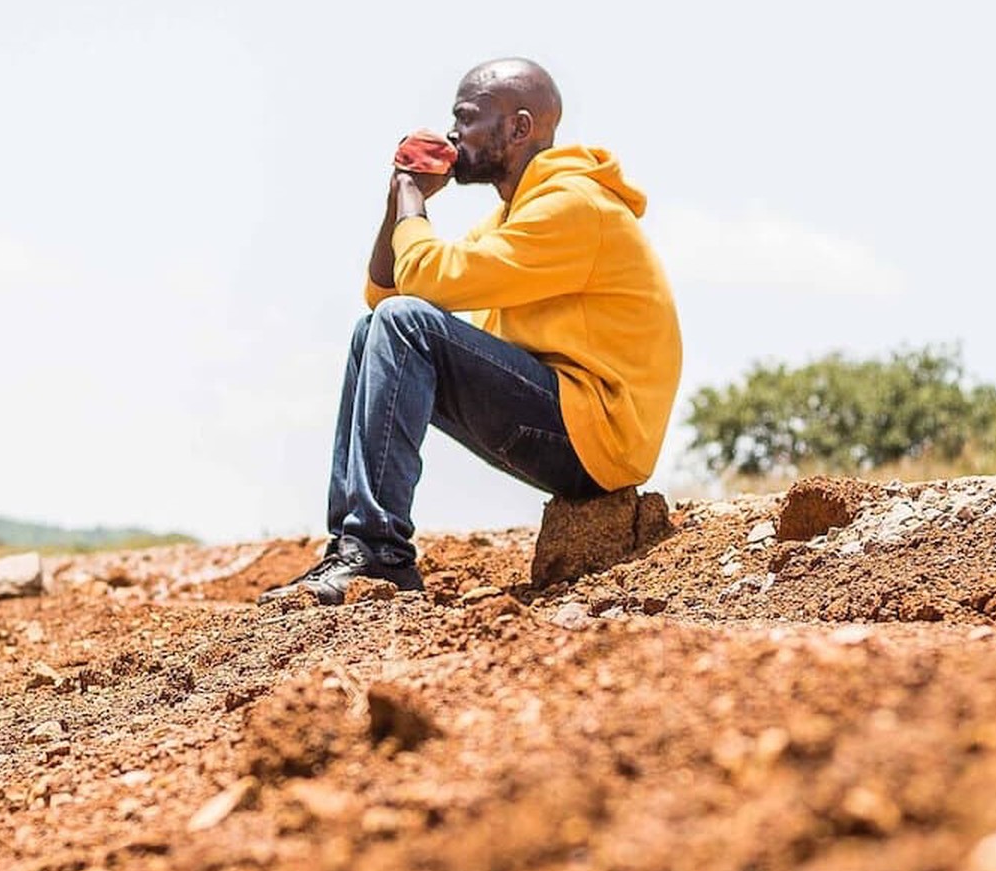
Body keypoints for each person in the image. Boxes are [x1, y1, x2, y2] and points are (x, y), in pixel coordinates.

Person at [262, 57, 682, 604]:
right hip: (568, 423)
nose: (453, 133)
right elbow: (386, 292)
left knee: (402, 326)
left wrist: (415, 198)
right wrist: (400, 198)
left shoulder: (573, 207)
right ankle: (352, 548)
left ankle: (380, 554)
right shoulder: (516, 213)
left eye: (467, 118)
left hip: (598, 437)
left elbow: (419, 288)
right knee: (375, 331)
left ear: (518, 128)